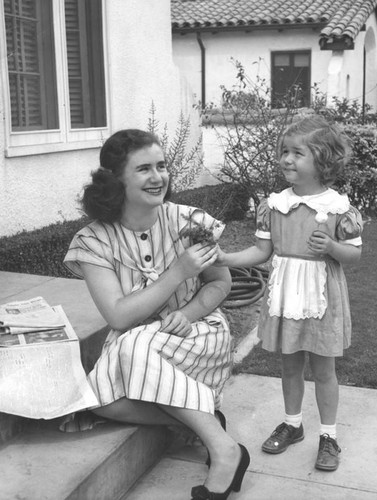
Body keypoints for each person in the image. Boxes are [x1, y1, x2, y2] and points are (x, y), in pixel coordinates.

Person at [63, 129, 250, 500]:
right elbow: (118, 317)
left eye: (162, 166)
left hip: (197, 333)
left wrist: (188, 311)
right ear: (116, 179)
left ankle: (225, 451)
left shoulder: (189, 220)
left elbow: (220, 283)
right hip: (134, 342)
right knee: (100, 400)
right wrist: (177, 273)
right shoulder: (92, 240)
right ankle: (205, 421)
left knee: (133, 351)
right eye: (144, 169)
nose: (158, 177)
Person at [216, 114, 363, 472]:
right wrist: (224, 257)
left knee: (324, 369)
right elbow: (261, 253)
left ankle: (328, 435)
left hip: (321, 299)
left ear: (323, 160)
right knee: (290, 365)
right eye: (284, 151)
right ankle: (293, 424)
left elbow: (354, 254)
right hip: (285, 295)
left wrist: (331, 245)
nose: (286, 159)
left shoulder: (338, 209)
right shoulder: (275, 206)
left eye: (297, 153)